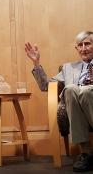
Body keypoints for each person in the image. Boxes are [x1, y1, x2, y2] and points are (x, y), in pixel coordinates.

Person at [25, 31, 93, 172]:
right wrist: (36, 63)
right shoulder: (68, 68)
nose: (83, 48)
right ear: (76, 49)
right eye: (80, 45)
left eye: (87, 44)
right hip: (75, 103)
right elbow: (46, 86)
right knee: (69, 89)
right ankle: (86, 153)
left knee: (86, 91)